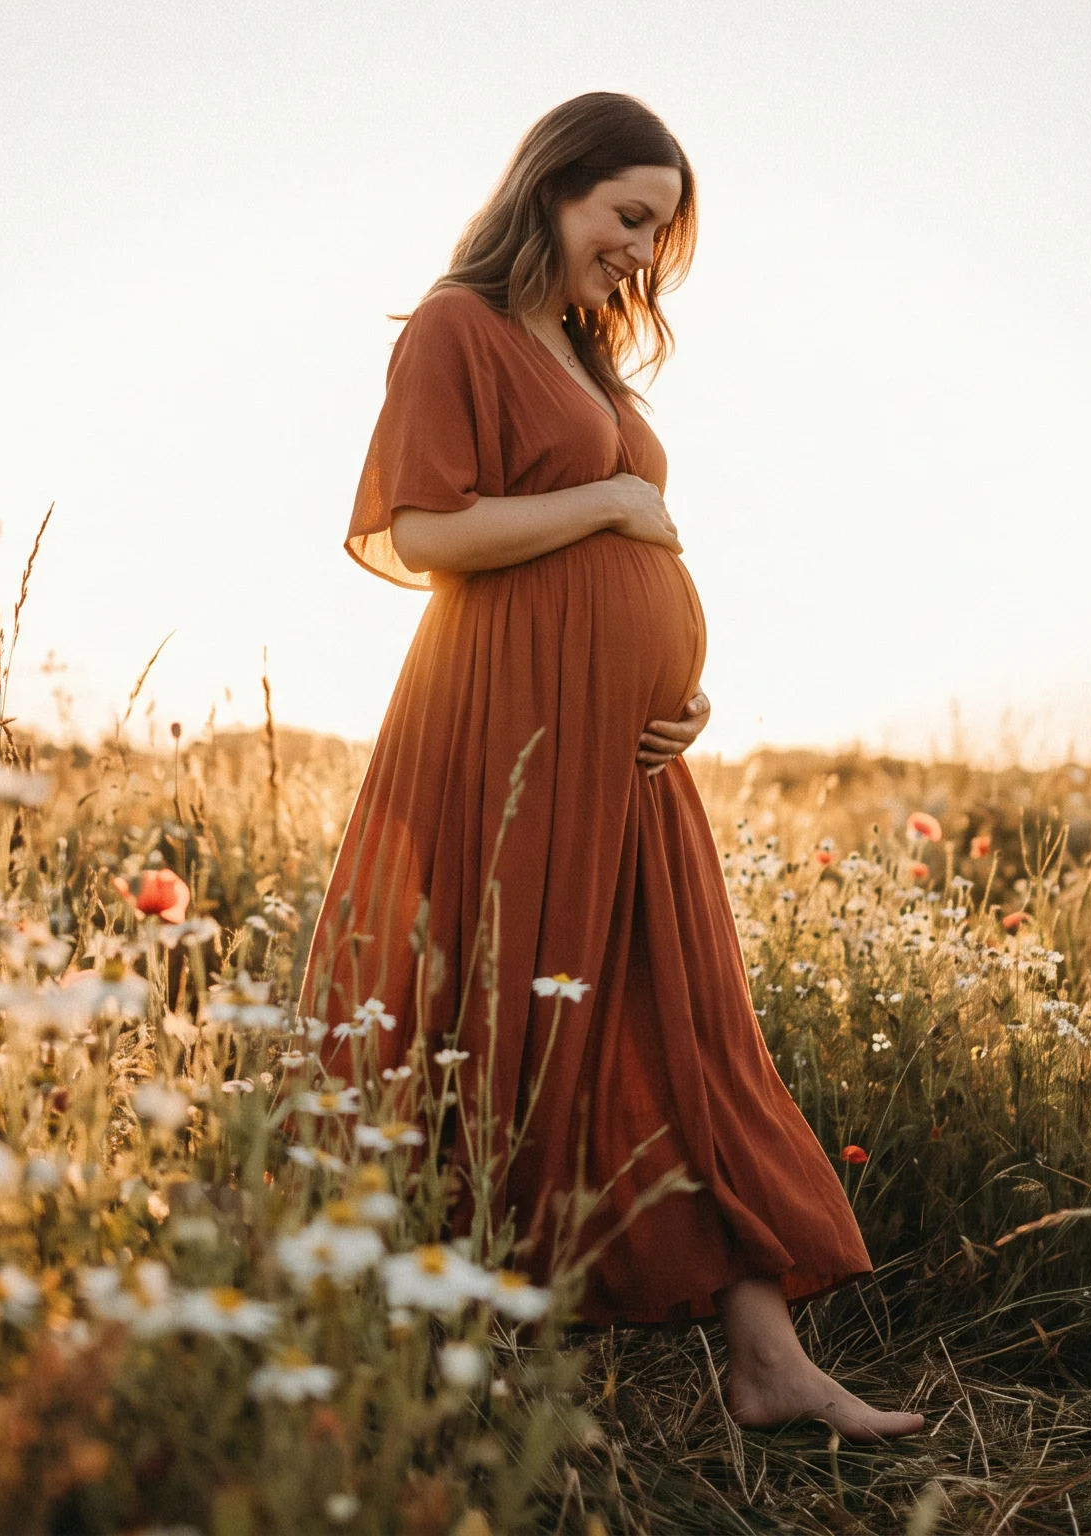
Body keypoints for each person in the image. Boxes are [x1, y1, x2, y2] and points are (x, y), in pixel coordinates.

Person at [298, 91, 925, 1443]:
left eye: (662, 230)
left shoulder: (585, 354)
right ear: (552, 188)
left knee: (686, 1021)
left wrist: (678, 687)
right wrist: (616, 505)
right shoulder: (458, 330)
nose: (645, 250)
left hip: (629, 755)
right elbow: (419, 531)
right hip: (505, 731)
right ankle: (441, 1355)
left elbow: (628, 555)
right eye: (629, 216)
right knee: (500, 1025)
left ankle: (769, 1361)